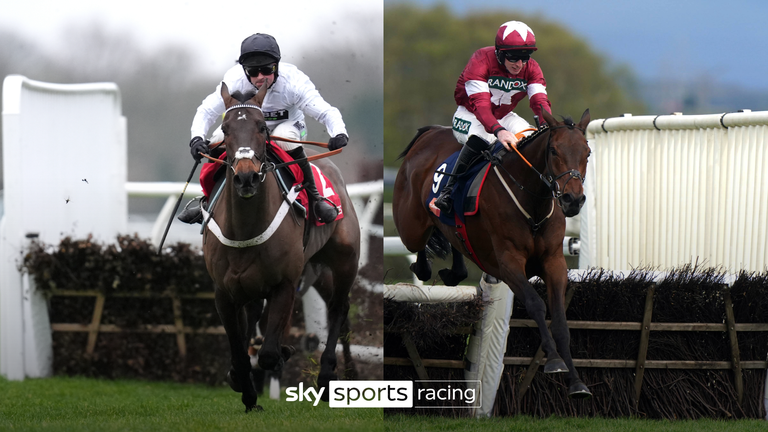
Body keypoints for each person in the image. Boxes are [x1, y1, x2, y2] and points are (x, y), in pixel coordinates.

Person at [178, 33, 349, 224]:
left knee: (283, 136)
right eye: (253, 71)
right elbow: (206, 111)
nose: (260, 77)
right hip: (247, 130)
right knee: (217, 140)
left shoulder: (294, 82)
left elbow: (325, 111)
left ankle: (315, 198)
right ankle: (208, 200)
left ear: (277, 66)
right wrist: (197, 138)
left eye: (267, 69)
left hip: (288, 126)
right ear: (244, 70)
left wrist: (338, 132)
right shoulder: (234, 80)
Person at [434, 20, 552, 214]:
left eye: (525, 57)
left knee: (533, 138)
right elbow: (481, 106)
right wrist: (499, 131)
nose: (519, 64)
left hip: (505, 115)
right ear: (500, 52)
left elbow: (540, 102)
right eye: (514, 57)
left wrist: (547, 126)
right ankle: (448, 191)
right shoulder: (481, 60)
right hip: (470, 114)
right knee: (485, 140)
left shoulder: (532, 68)